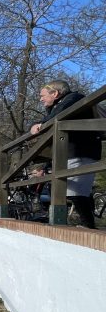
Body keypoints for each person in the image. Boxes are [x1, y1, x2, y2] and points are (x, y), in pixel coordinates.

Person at [30, 80, 101, 229]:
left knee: (75, 192)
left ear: (55, 93)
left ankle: (88, 225)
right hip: (69, 154)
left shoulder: (75, 98)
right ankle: (85, 223)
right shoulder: (58, 106)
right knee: (67, 190)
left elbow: (59, 113)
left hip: (82, 152)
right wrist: (46, 165)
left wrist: (41, 124)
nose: (40, 99)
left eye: (43, 95)